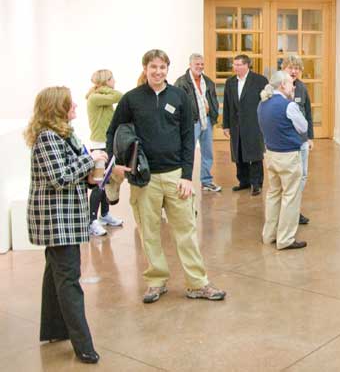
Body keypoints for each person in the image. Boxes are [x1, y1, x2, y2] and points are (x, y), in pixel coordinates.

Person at [107, 49, 225, 304]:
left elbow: (187, 138)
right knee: (148, 233)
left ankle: (197, 283)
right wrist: (114, 165)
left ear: (167, 69)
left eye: (162, 67)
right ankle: (156, 281)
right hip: (144, 179)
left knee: (186, 232)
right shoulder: (131, 99)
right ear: (145, 69)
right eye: (153, 67)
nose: (158, 72)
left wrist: (186, 176)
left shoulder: (179, 96)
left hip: (175, 177)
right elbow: (113, 133)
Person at [26, 86, 105, 364]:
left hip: (66, 217)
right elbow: (59, 177)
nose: (75, 106)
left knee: (55, 272)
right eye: (69, 103)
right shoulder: (48, 137)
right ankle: (83, 345)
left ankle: (53, 329)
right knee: (69, 278)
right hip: (56, 220)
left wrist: (91, 173)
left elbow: (72, 172)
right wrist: (90, 159)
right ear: (57, 108)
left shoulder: (64, 135)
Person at [257, 70, 308, 250]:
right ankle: (285, 239)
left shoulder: (262, 104)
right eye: (290, 83)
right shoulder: (288, 106)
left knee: (273, 195)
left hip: (270, 154)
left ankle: (269, 235)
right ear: (282, 85)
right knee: (290, 197)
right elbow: (303, 127)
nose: (293, 86)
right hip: (288, 156)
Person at [175, 53, 221, 193]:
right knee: (187, 152)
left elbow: (213, 100)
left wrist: (213, 115)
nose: (200, 67)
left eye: (202, 64)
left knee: (208, 153)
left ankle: (206, 181)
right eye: (197, 64)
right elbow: (178, 104)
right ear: (190, 65)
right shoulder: (181, 83)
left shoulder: (208, 81)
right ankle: (183, 180)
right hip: (191, 123)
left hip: (206, 120)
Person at [85, 69, 124, 237]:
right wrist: (103, 87)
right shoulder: (95, 98)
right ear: (105, 81)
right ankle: (92, 221)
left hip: (106, 146)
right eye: (112, 78)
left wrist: (103, 87)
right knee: (99, 184)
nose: (114, 81)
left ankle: (105, 215)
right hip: (98, 147)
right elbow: (119, 96)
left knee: (106, 182)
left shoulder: (102, 99)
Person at [223, 54, 268, 195]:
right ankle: (244, 181)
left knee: (255, 155)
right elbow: (227, 105)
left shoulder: (260, 80)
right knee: (239, 154)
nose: (235, 67)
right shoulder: (230, 82)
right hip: (236, 125)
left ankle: (256, 184)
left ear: (247, 65)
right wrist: (226, 125)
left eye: (238, 64)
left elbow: (266, 103)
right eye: (234, 64)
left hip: (254, 124)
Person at [282, 54, 312, 225]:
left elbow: (307, 112)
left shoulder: (301, 87)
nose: (294, 71)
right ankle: (286, 211)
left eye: (297, 68)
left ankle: (295, 209)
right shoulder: (277, 87)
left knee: (303, 176)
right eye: (290, 67)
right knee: (289, 178)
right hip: (286, 142)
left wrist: (310, 138)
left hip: (302, 140)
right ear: (283, 68)